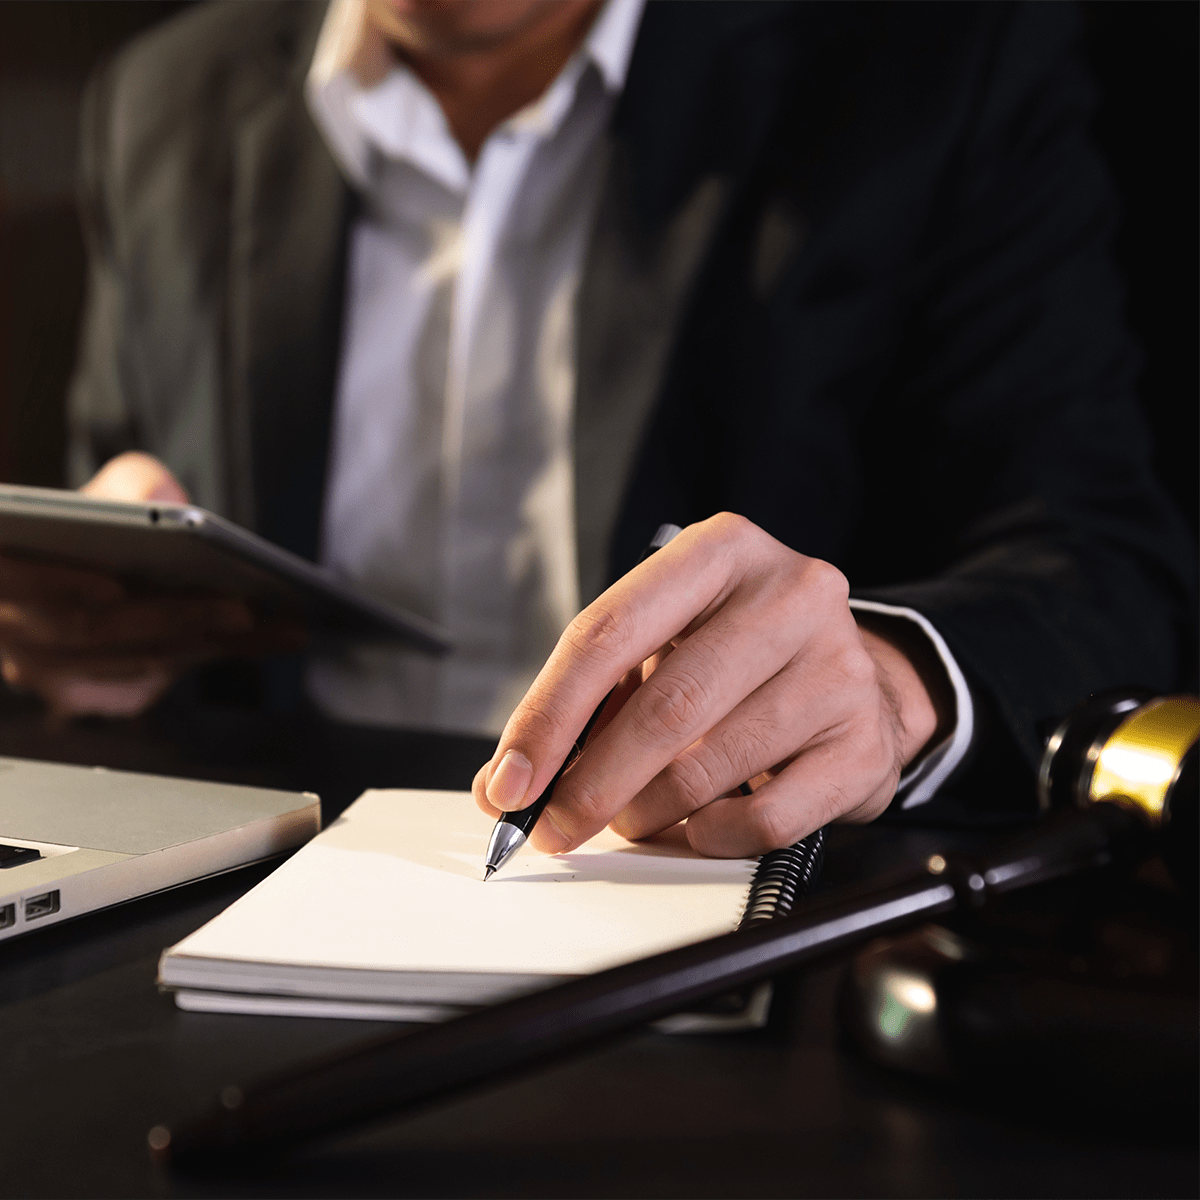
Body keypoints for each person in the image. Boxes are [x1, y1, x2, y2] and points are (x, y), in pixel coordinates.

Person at [0, 0, 1193, 858]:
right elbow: (114, 488)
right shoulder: (161, 99)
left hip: (720, 904)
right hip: (247, 877)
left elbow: (1103, 563)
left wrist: (890, 682)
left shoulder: (942, 58)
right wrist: (85, 620)